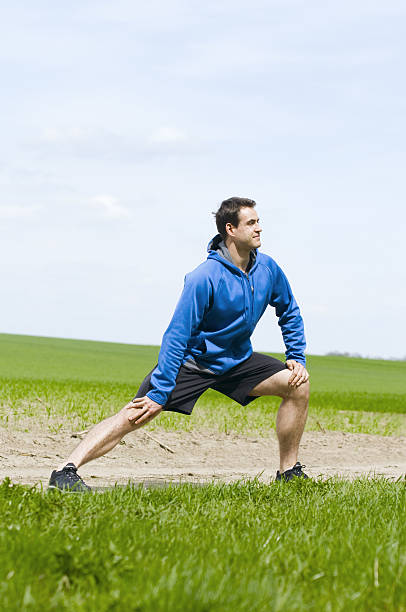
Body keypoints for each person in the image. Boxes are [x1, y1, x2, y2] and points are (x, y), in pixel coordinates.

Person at [49, 197, 310, 491]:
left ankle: (288, 473)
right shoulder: (204, 278)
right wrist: (160, 392)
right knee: (137, 414)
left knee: (297, 384)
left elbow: (289, 311)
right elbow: (177, 336)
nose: (259, 228)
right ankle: (64, 471)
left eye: (259, 221)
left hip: (237, 361)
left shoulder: (268, 269)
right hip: (194, 363)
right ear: (230, 229)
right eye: (251, 223)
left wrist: (296, 356)